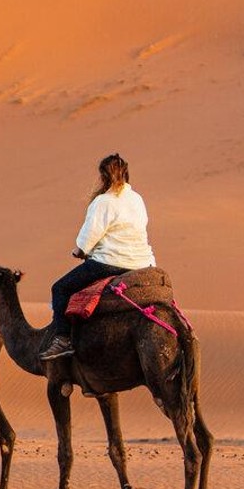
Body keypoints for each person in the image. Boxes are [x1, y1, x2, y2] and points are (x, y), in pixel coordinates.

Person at [38, 153, 156, 360]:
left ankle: (62, 340)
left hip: (110, 262)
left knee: (60, 288)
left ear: (103, 176)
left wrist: (79, 251)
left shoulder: (103, 201)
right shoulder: (137, 199)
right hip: (142, 263)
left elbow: (88, 237)